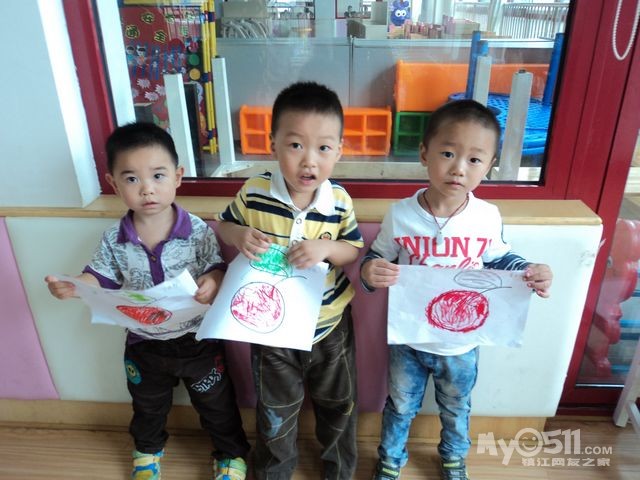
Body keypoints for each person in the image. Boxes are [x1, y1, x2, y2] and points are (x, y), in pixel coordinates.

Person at [44, 122, 250, 480]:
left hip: (198, 342)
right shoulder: (114, 239)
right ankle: (147, 451)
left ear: (178, 176)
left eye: (157, 175)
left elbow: (217, 267)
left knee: (217, 405)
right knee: (147, 407)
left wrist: (213, 281)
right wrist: (75, 286)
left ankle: (231, 454)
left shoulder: (197, 230)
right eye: (132, 179)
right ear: (113, 184)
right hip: (143, 344)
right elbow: (98, 277)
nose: (147, 189)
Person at [360, 99, 553, 480]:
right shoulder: (400, 214)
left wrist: (530, 271)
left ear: (489, 166)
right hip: (409, 338)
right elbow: (376, 257)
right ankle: (390, 459)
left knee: (457, 406)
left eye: (474, 159)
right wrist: (370, 271)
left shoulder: (486, 216)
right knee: (400, 405)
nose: (459, 168)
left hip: (463, 344)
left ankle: (453, 458)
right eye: (448, 153)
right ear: (424, 153)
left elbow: (501, 259)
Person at [217, 81, 364, 480]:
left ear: (339, 150)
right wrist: (239, 235)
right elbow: (225, 225)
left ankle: (339, 471)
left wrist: (327, 247)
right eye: (296, 145)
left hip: (329, 325)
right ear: (274, 144)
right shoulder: (254, 192)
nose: (309, 161)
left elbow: (352, 250)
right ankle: (273, 472)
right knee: (275, 410)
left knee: (339, 404)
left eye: (323, 148)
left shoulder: (339, 201)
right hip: (271, 329)